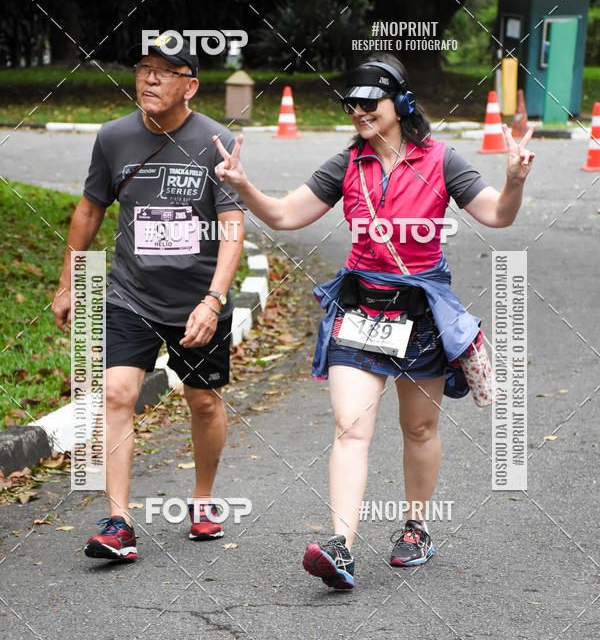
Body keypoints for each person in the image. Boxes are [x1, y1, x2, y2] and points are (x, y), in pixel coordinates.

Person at [213, 54, 534, 590]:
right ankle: (341, 545)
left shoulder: (441, 162)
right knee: (351, 428)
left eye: (369, 102)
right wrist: (244, 186)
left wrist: (515, 180)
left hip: (420, 315)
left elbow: (498, 214)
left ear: (401, 105)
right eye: (351, 103)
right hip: (360, 310)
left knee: (419, 427)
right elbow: (286, 214)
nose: (358, 111)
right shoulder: (346, 164)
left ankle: (416, 527)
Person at [52, 35, 245, 561]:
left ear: (191, 86)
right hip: (129, 293)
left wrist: (214, 300)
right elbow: (90, 210)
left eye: (165, 71)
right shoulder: (113, 138)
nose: (150, 79)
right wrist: (69, 281)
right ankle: (119, 521)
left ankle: (203, 501)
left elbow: (232, 228)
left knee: (202, 400)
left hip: (196, 298)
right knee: (116, 393)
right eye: (143, 68)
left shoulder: (215, 141)